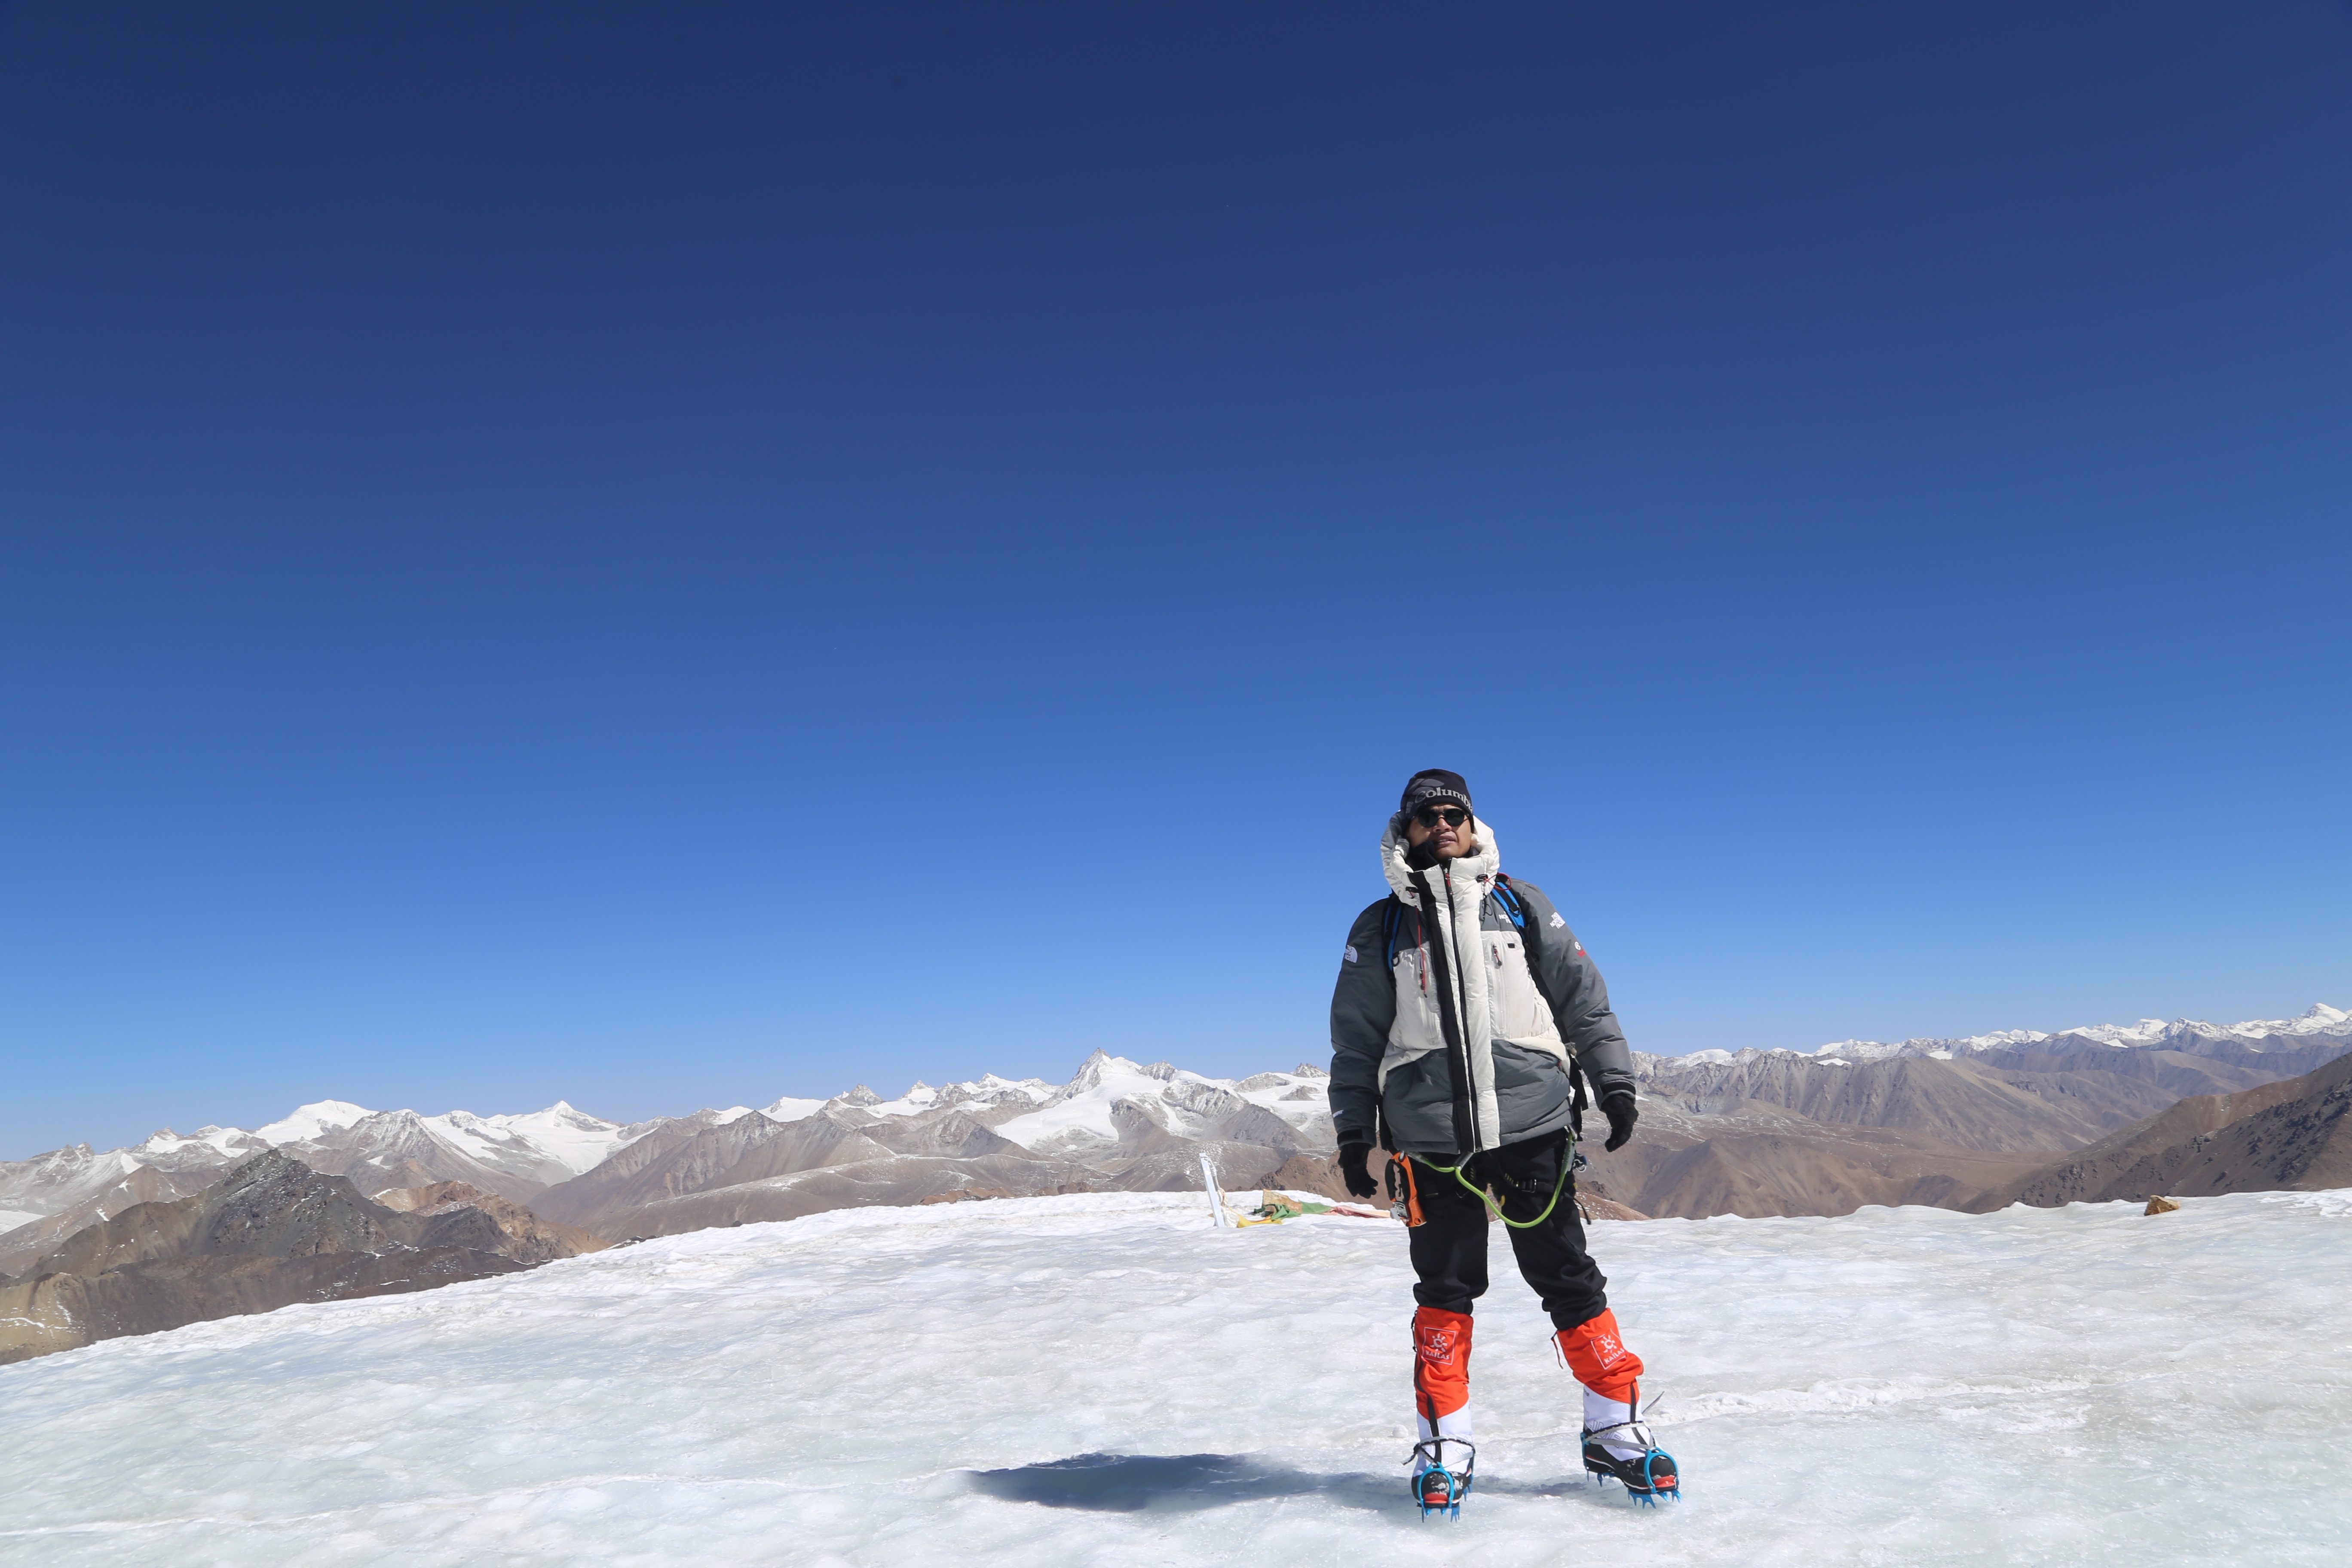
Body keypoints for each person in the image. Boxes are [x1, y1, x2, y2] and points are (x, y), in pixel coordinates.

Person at [1328, 769, 1678, 1512]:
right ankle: (1444, 1441)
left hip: (1534, 1126)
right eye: (1428, 816)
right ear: (1408, 829)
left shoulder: (1518, 903)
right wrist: (1355, 1129)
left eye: (1455, 812)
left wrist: (1614, 1082)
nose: (1443, 823)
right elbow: (1355, 1041)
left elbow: (1583, 997)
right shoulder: (1380, 926)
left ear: (1471, 821)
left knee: (1568, 1277)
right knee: (1446, 1290)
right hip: (1430, 1141)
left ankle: (1614, 1428)